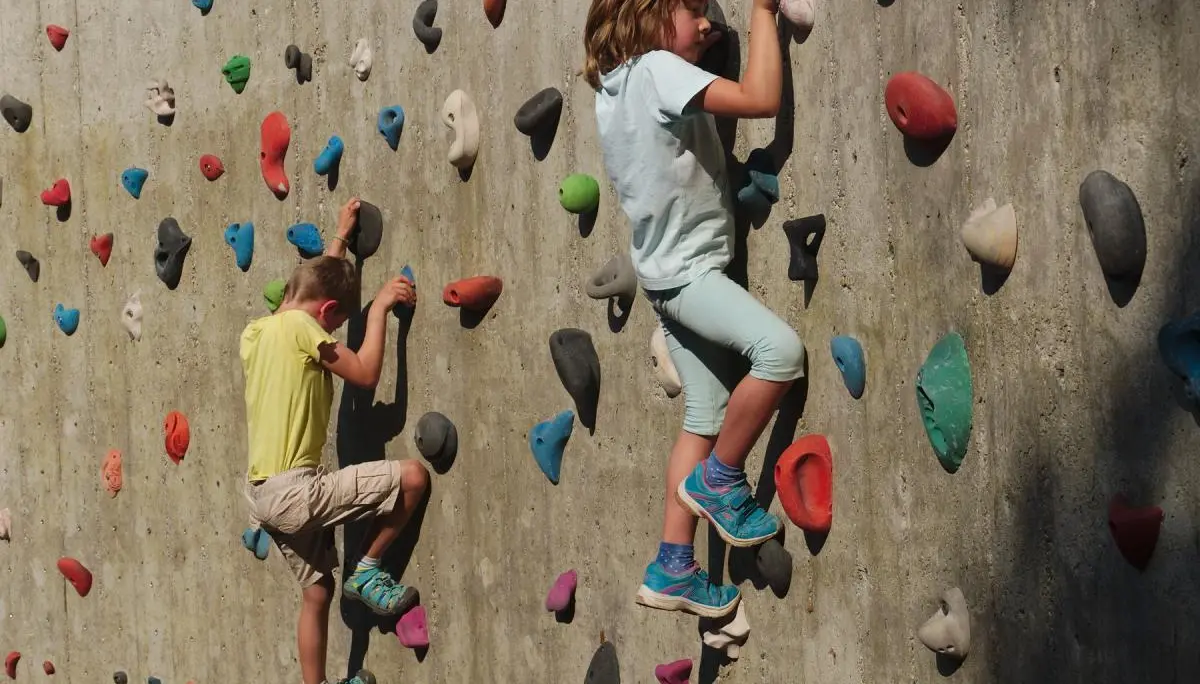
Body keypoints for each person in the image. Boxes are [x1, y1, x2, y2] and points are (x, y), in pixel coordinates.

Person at [584, 0, 804, 619]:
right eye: (693, 8)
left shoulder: (615, 86)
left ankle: (674, 565)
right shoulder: (656, 69)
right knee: (781, 353)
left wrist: (697, 46)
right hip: (690, 276)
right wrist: (763, 12)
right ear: (645, 13)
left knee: (703, 417)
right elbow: (760, 99)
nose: (708, 24)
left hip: (662, 277)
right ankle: (722, 480)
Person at [239, 197, 428, 684]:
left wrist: (340, 239)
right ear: (324, 313)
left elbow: (306, 288)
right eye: (337, 325)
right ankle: (367, 569)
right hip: (296, 491)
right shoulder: (306, 327)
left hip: (261, 494)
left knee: (318, 591)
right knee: (412, 477)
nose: (336, 333)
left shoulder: (259, 331)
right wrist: (381, 308)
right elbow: (364, 373)